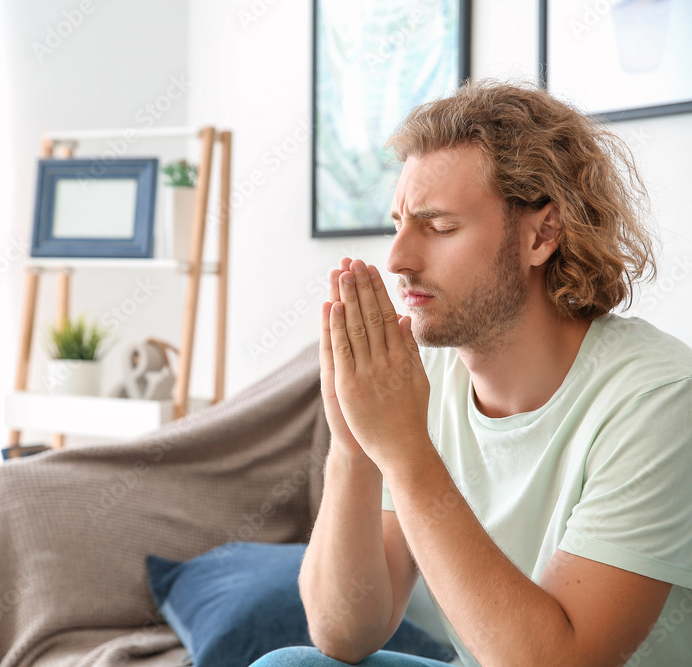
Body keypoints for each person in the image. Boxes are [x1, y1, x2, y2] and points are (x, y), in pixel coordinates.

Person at [252, 80, 692, 666]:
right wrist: (354, 446)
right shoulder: (418, 375)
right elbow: (344, 633)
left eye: (438, 227)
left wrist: (406, 450)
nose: (398, 259)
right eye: (399, 224)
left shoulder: (658, 397)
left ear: (542, 234)